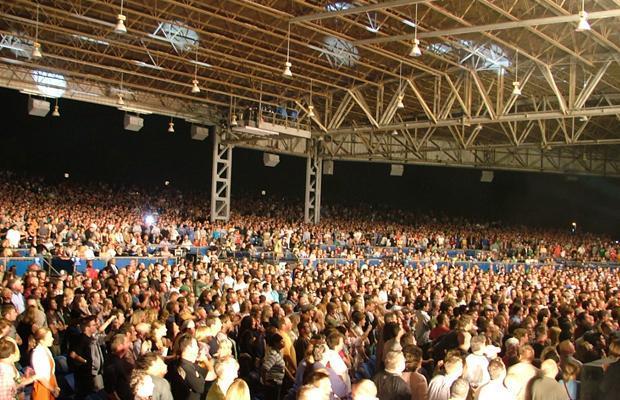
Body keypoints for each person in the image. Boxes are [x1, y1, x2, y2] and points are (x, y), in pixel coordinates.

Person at [31, 327, 60, 400]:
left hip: (50, 384)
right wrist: (52, 389)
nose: (52, 339)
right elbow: (40, 376)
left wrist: (56, 386)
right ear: (41, 340)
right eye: (50, 337)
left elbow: (52, 372)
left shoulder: (47, 350)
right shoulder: (37, 353)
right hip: (43, 387)